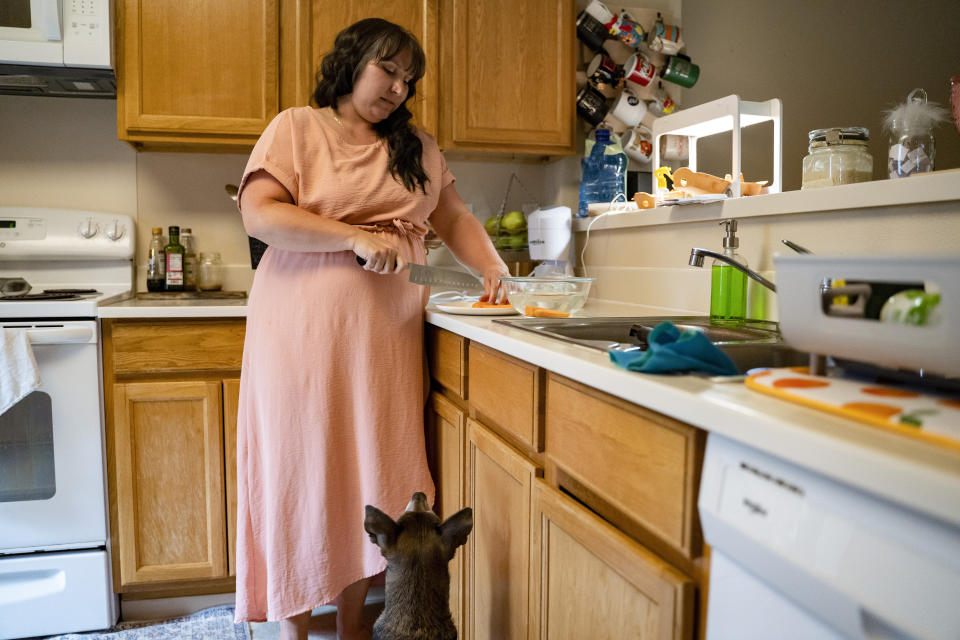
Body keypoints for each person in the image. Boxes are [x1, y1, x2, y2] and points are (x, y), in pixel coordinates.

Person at [233, 17, 509, 640]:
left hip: (383, 340)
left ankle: (354, 627)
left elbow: (455, 217)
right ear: (352, 62)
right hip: (299, 333)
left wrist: (493, 271)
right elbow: (259, 213)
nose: (398, 89)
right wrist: (355, 234)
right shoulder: (297, 128)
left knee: (368, 477)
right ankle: (296, 631)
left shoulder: (418, 147)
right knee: (301, 473)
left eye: (408, 80)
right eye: (388, 69)